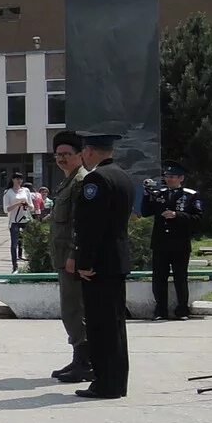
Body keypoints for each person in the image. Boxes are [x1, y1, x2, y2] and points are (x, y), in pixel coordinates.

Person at [69, 133, 137, 400]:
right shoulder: (121, 175)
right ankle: (116, 381)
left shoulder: (95, 179)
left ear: (88, 152)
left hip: (99, 264)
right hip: (115, 261)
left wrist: (84, 262)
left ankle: (105, 383)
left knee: (100, 326)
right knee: (115, 324)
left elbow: (91, 226)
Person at [48, 132, 93, 384]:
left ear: (80, 155)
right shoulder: (66, 182)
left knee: (75, 308)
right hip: (62, 256)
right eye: (59, 155)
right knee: (70, 309)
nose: (62, 159)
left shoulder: (80, 182)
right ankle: (79, 357)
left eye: (67, 154)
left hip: (70, 258)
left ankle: (85, 362)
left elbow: (81, 223)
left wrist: (75, 254)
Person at [141, 163, 203, 320]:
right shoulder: (159, 194)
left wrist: (177, 215)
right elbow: (146, 212)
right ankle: (160, 310)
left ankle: (182, 309)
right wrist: (147, 194)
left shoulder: (190, 195)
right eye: (166, 176)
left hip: (180, 243)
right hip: (161, 242)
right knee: (159, 277)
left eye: (172, 177)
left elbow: (198, 218)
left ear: (181, 178)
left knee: (180, 277)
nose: (168, 179)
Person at [3, 172, 35, 272]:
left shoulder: (26, 190)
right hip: (14, 221)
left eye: (20, 179)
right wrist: (17, 204)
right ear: (13, 180)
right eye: (17, 179)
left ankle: (33, 262)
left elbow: (32, 207)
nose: (19, 181)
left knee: (31, 242)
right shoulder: (8, 192)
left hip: (26, 219)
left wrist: (27, 205)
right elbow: (5, 209)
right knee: (14, 243)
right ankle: (14, 265)